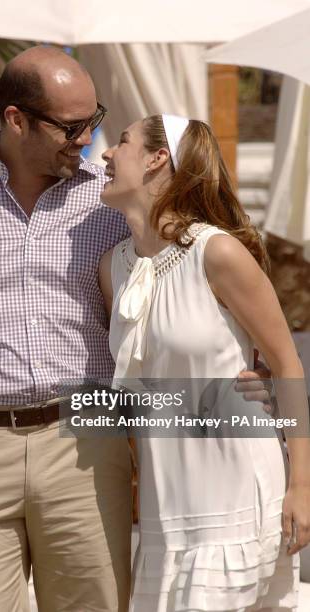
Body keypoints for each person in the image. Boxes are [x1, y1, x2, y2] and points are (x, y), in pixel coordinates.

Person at [0, 46, 272, 612]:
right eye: (72, 126)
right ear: (16, 119)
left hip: (89, 443)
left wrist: (244, 359)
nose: (88, 139)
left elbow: (196, 271)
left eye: (96, 120)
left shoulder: (114, 203)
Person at [98, 113, 310, 611]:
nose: (107, 154)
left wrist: (301, 486)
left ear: (158, 158)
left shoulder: (217, 252)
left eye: (121, 143)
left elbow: (287, 364)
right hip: (164, 503)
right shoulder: (111, 269)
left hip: (236, 488)